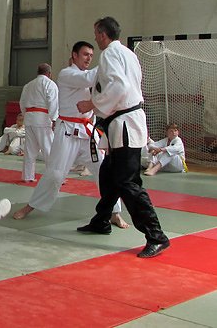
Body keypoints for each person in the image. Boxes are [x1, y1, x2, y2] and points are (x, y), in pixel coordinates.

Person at [75, 17, 170, 258]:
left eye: (96, 34)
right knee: (108, 175)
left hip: (125, 123)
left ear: (102, 34)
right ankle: (101, 220)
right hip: (124, 121)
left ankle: (156, 236)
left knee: (128, 182)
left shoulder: (109, 54)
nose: (95, 38)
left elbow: (119, 87)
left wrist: (91, 103)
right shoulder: (128, 53)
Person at [13, 41, 125, 227]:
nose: (89, 58)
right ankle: (31, 206)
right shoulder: (67, 74)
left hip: (87, 133)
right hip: (67, 131)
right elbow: (90, 77)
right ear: (74, 55)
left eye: (91, 55)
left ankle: (114, 212)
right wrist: (112, 61)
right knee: (55, 173)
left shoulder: (89, 78)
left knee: (104, 170)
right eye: (85, 54)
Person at [19, 63, 58, 182]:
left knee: (30, 150)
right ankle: (54, 177)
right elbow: (53, 102)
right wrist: (54, 119)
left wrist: (26, 115)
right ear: (49, 73)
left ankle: (27, 176)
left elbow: (22, 103)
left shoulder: (28, 85)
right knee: (49, 149)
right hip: (42, 119)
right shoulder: (50, 84)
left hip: (29, 118)